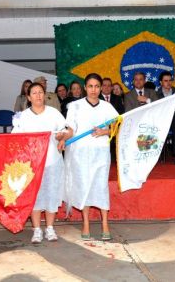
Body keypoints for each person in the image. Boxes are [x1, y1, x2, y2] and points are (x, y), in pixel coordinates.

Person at [63, 73, 119, 241]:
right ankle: (86, 223)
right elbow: (70, 129)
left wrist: (105, 131)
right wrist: (63, 138)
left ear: (101, 88)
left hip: (101, 153)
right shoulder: (75, 106)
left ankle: (105, 224)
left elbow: (117, 125)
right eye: (90, 86)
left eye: (96, 86)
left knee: (100, 186)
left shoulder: (107, 107)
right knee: (84, 186)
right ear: (85, 88)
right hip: (80, 154)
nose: (93, 90)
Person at [12, 82, 66, 243]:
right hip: (31, 165)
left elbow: (67, 130)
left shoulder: (54, 113)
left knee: (52, 194)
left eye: (41, 92)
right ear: (28, 97)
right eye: (34, 93)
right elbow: (15, 140)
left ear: (45, 95)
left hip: (52, 161)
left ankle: (50, 228)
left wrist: (62, 137)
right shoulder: (23, 116)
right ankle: (36, 229)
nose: (38, 95)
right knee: (33, 196)